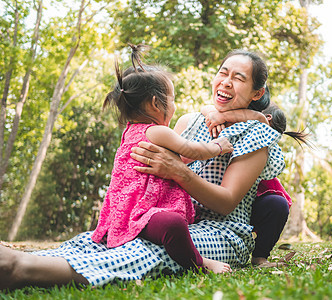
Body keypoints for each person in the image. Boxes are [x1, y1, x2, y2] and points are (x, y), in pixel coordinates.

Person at [0, 49, 285, 290]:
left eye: (239, 78)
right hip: (176, 219)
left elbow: (226, 202)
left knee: (149, 250)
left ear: (256, 92)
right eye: (223, 73)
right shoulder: (189, 121)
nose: (226, 82)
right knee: (105, 238)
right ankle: (27, 258)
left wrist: (178, 172)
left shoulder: (256, 136)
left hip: (221, 233)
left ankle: (23, 269)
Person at [91, 44, 233, 273]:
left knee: (171, 224)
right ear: (156, 104)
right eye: (172, 98)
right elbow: (190, 151)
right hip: (142, 213)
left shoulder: (129, 132)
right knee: (173, 224)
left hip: (126, 213)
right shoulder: (156, 131)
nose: (175, 105)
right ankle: (199, 264)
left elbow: (176, 159)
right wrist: (217, 146)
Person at [201, 101, 311, 265]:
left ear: (265, 119)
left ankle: (260, 256)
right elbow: (206, 108)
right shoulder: (231, 127)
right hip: (219, 205)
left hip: (249, 205)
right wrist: (213, 114)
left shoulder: (260, 138)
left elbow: (278, 209)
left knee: (277, 204)